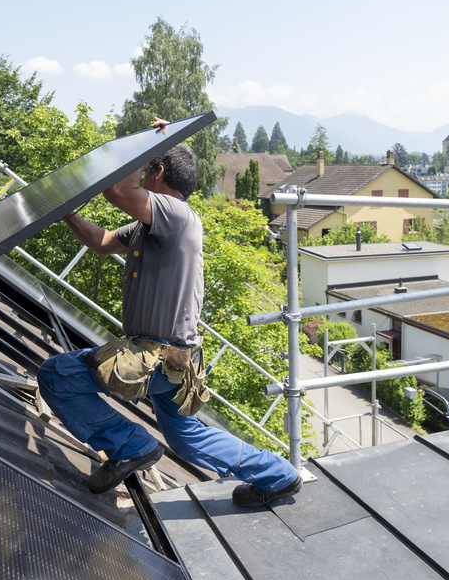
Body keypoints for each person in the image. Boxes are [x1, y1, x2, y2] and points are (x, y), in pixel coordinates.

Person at [38, 129, 302, 507]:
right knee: (186, 437)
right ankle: (279, 476)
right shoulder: (154, 224)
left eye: (146, 171)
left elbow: (116, 192)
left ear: (157, 171)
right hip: (179, 360)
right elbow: (101, 242)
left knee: (55, 374)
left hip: (158, 358)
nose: (142, 178)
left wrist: (145, 147)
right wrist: (66, 213)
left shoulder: (175, 214)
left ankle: (132, 446)